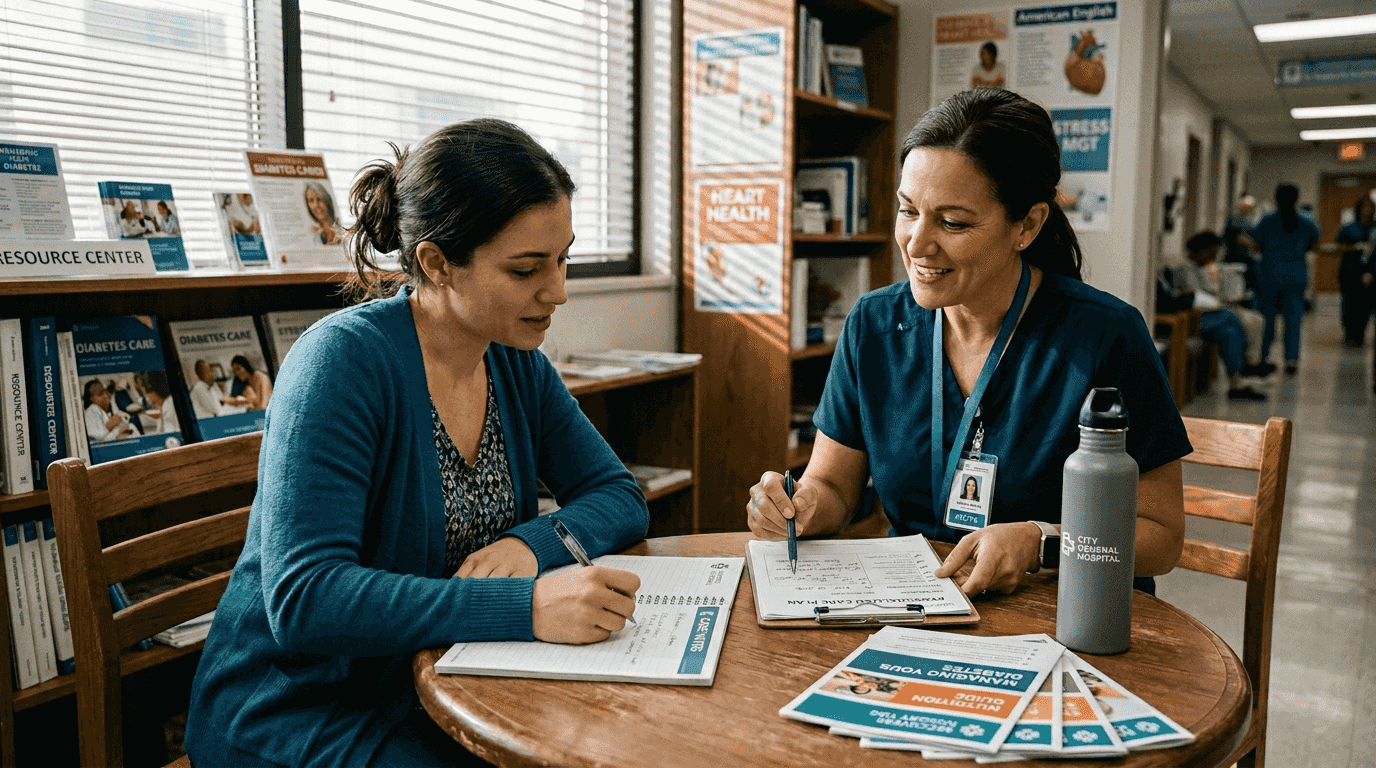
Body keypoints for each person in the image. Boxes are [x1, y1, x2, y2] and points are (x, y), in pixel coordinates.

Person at [184, 118, 649, 768]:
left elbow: (618, 495)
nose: (559, 291)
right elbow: (306, 598)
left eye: (563, 257)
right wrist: (522, 605)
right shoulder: (342, 363)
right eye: (526, 269)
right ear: (435, 262)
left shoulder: (513, 359)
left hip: (449, 679)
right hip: (301, 711)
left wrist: (531, 543)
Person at [746, 88, 1189, 599]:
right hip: (917, 601)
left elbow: (1161, 536)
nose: (916, 243)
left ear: (1027, 224)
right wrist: (796, 508)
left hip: (1065, 610)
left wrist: (1041, 543)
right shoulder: (874, 325)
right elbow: (834, 487)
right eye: (908, 211)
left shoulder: (1106, 336)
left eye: (953, 223)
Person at [1159, 232, 1268, 400]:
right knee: (1230, 316)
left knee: (1229, 333)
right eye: (1210, 253)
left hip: (1206, 315)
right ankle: (1246, 366)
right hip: (1192, 319)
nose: (1212, 257)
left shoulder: (1202, 268)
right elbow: (1192, 297)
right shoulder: (1184, 269)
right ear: (1199, 250)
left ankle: (1237, 382)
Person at [1251, 184, 1320, 375]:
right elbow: (1314, 244)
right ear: (1296, 199)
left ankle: (1262, 357)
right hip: (1295, 277)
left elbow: (1257, 245)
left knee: (1267, 320)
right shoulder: (1306, 222)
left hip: (1270, 276)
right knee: (1293, 321)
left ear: (1276, 199)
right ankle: (1291, 360)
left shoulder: (1267, 221)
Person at [1337, 196, 1375, 346]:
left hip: (1371, 272)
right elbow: (1339, 247)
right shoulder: (1348, 228)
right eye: (1364, 207)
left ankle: (1360, 334)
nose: (1367, 210)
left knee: (1365, 306)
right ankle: (1349, 333)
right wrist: (1355, 247)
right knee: (1349, 304)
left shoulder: (1375, 228)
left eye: (1370, 207)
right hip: (1350, 271)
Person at [1222, 193, 1259, 308]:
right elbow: (1237, 239)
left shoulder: (1252, 221)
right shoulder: (1234, 221)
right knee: (1235, 290)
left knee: (1249, 290)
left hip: (1248, 261)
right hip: (1235, 259)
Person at [141, 371, 181, 435]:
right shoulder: (166, 403)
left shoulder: (169, 404)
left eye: (155, 402)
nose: (156, 407)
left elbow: (169, 433)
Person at [303, 181, 342, 245]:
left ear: (327, 201)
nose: (316, 205)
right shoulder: (312, 234)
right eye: (311, 201)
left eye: (319, 199)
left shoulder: (342, 227)